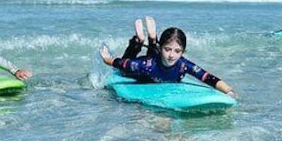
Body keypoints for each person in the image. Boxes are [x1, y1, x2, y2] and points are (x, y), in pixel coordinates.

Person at [99, 16, 237, 98]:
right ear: (161, 48)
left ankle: (152, 39)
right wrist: (107, 59)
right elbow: (122, 63)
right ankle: (140, 41)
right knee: (124, 71)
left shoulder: (184, 65)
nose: (172, 55)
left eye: (177, 51)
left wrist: (228, 91)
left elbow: (207, 77)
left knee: (158, 58)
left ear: (183, 51)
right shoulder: (145, 64)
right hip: (141, 73)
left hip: (155, 61)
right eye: (168, 49)